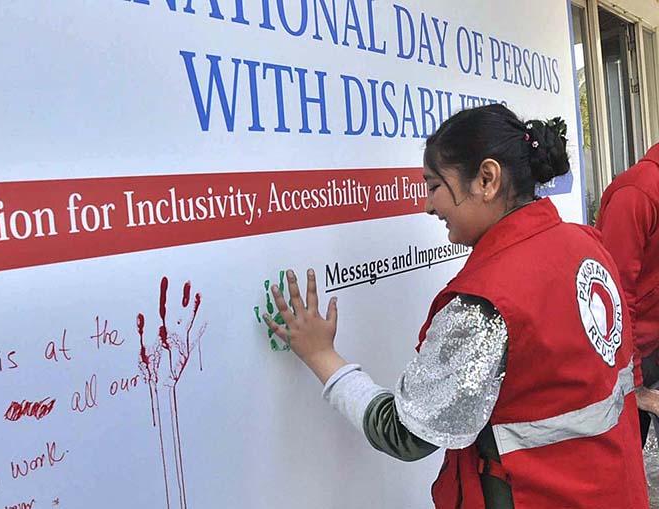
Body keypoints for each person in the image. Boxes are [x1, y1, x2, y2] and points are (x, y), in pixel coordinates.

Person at [262, 104, 648, 508]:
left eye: (434, 186)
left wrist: (322, 356)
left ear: (486, 179)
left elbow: (405, 434)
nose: (429, 206)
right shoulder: (587, 243)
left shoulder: (488, 302)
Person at [596, 142, 659, 445]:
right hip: (632, 358)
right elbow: (615, 300)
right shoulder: (637, 194)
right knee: (626, 467)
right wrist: (635, 387)